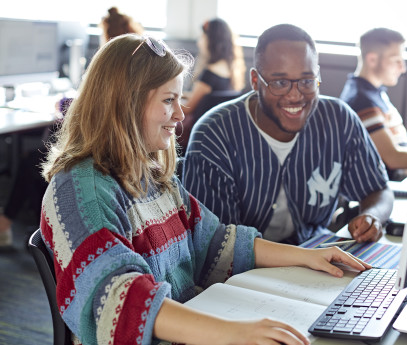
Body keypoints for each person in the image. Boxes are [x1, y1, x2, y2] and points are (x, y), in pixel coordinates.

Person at [40, 33, 371, 345]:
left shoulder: (150, 175)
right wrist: (235, 333)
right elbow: (121, 301)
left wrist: (309, 257)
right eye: (169, 100)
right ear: (127, 103)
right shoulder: (80, 191)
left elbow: (215, 242)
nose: (180, 114)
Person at [182, 24, 393, 245]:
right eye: (280, 83)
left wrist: (373, 216)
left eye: (307, 81)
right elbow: (216, 246)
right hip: (242, 272)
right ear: (255, 81)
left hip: (316, 256)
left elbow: (378, 189)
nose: (295, 95)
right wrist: (303, 259)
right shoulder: (215, 134)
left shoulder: (338, 119)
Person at [0, 7, 144, 249]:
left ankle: (8, 224)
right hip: (117, 147)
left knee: (33, 160)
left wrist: (65, 103)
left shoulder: (113, 68)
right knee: (40, 152)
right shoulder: (137, 65)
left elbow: (93, 108)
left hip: (102, 151)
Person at [339, 27, 407, 181]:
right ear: (372, 59)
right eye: (396, 60)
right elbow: (393, 158)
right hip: (386, 186)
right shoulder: (362, 101)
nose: (402, 68)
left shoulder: (374, 92)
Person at [178, 18, 246, 149]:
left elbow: (187, 109)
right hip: (217, 133)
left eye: (202, 37)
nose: (199, 42)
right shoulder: (230, 71)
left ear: (211, 41)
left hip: (194, 132)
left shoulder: (209, 74)